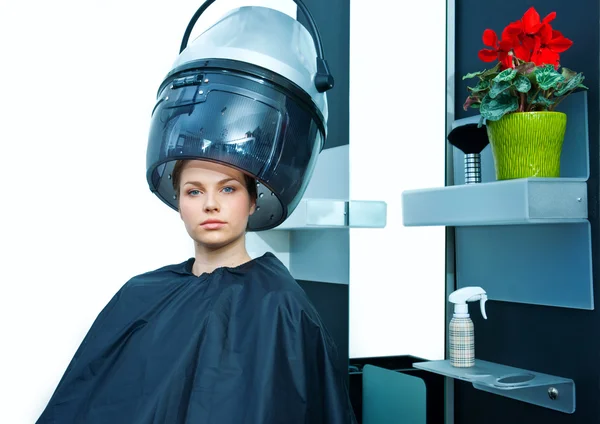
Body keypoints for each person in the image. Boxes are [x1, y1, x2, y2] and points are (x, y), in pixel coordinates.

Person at [36, 159, 358, 424]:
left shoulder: (281, 305)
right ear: (178, 202)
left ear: (252, 201)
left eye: (228, 188)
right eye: (194, 191)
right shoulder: (140, 295)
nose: (210, 204)